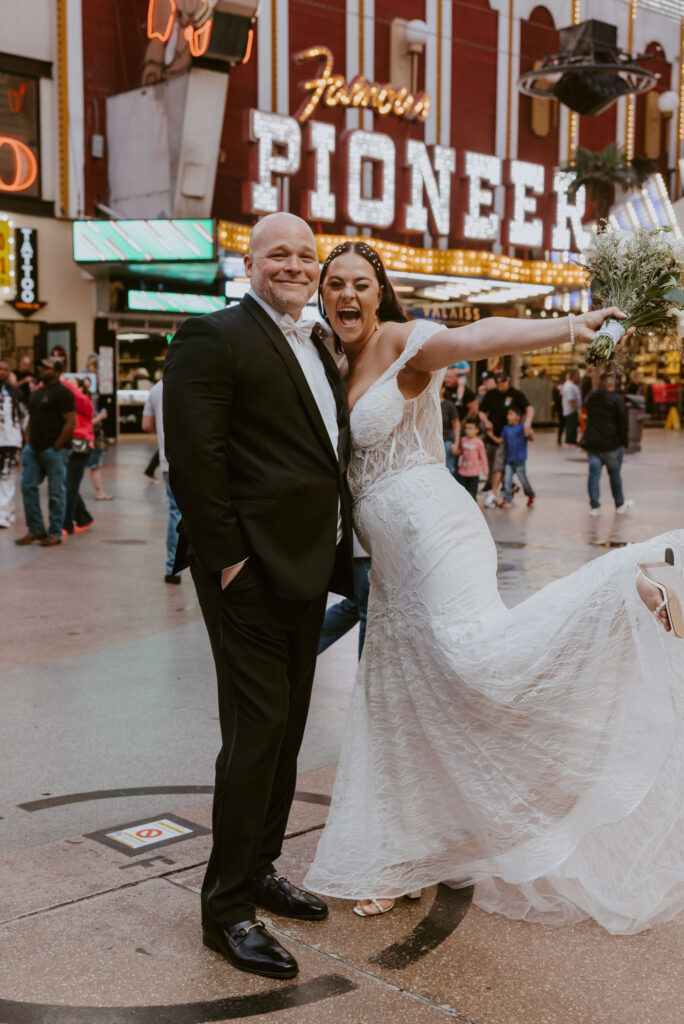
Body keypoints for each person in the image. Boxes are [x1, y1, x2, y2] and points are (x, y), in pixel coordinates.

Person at [302, 241, 684, 936]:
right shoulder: (332, 362)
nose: (347, 293)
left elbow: (476, 338)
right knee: (403, 705)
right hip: (389, 563)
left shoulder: (401, 342)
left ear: (380, 292)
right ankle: (403, 856)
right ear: (324, 296)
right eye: (335, 284)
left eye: (361, 282)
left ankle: (620, 588)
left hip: (433, 532)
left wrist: (573, 325)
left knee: (478, 660)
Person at [163, 213, 354, 980]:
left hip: (308, 566)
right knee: (257, 731)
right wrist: (230, 560)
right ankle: (227, 908)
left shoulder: (314, 343)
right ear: (249, 261)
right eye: (280, 253)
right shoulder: (212, 336)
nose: (297, 265)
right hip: (248, 571)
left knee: (290, 725)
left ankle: (264, 865)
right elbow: (194, 457)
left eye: (307, 255)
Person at [15, 356, 75, 547]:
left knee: (56, 492)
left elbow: (70, 422)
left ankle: (55, 532)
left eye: (47, 368)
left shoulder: (63, 393)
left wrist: (57, 445)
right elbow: (31, 419)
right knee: (27, 487)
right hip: (33, 449)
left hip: (54, 450)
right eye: (40, 367)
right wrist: (27, 442)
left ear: (57, 372)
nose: (41, 370)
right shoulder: (36, 393)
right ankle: (35, 529)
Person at [142, 377, 182, 584]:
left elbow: (146, 424)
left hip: (168, 460)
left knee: (176, 512)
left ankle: (173, 569)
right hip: (199, 460)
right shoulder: (194, 380)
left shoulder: (157, 389)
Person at [581, 371, 633, 517]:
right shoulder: (617, 400)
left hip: (593, 443)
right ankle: (619, 504)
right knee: (615, 475)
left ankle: (595, 507)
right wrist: (625, 442)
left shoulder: (590, 398)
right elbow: (623, 423)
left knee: (594, 475)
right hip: (612, 444)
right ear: (611, 383)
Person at [478, 370, 533, 508]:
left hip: (506, 439)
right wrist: (485, 421)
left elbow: (529, 408)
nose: (499, 385)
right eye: (496, 382)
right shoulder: (491, 394)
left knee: (498, 466)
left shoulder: (516, 394)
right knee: (493, 467)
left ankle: (493, 494)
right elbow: (481, 411)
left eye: (502, 382)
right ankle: (510, 486)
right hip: (491, 436)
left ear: (507, 380)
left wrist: (527, 423)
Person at [317, 536, 371, 660]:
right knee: (370, 614)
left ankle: (300, 647)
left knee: (355, 606)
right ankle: (366, 676)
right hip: (367, 548)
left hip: (375, 550)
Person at [61, 376, 95, 535]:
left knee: (70, 486)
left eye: (72, 384)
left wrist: (64, 382)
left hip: (81, 447)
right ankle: (84, 518)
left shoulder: (84, 401)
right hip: (68, 445)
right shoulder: (67, 403)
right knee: (69, 485)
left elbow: (84, 404)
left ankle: (66, 524)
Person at [0, 358, 27, 528]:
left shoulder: (15, 393)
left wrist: (25, 439)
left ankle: (4, 514)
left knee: (7, 477)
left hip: (10, 441)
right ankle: (6, 512)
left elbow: (25, 417)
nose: (2, 372)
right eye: (0, 369)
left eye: (5, 369)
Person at [499, 406, 535, 507]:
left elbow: (531, 438)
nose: (508, 416)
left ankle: (530, 494)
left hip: (519, 460)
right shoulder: (506, 428)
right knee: (507, 480)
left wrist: (531, 433)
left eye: (511, 414)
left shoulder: (523, 427)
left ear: (518, 417)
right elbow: (501, 440)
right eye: (508, 414)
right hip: (509, 460)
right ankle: (507, 499)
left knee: (523, 480)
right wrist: (490, 435)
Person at [455, 419, 488, 500]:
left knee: (472, 494)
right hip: (462, 472)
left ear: (477, 430)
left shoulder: (479, 442)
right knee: (461, 494)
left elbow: (483, 457)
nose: (467, 430)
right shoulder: (463, 440)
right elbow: (462, 452)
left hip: (474, 473)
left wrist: (485, 469)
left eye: (470, 428)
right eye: (466, 428)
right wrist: (456, 452)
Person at [440, 384, 460, 477]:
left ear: (443, 389)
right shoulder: (427, 403)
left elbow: (456, 424)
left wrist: (456, 443)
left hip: (446, 442)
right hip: (429, 445)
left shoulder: (448, 405)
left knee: (449, 470)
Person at [560, 368, 582, 446]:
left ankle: (573, 441)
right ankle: (569, 441)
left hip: (573, 410)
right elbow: (571, 399)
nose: (577, 377)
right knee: (570, 426)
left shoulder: (572, 385)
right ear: (573, 376)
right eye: (576, 376)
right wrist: (575, 409)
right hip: (571, 410)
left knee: (573, 426)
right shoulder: (569, 386)